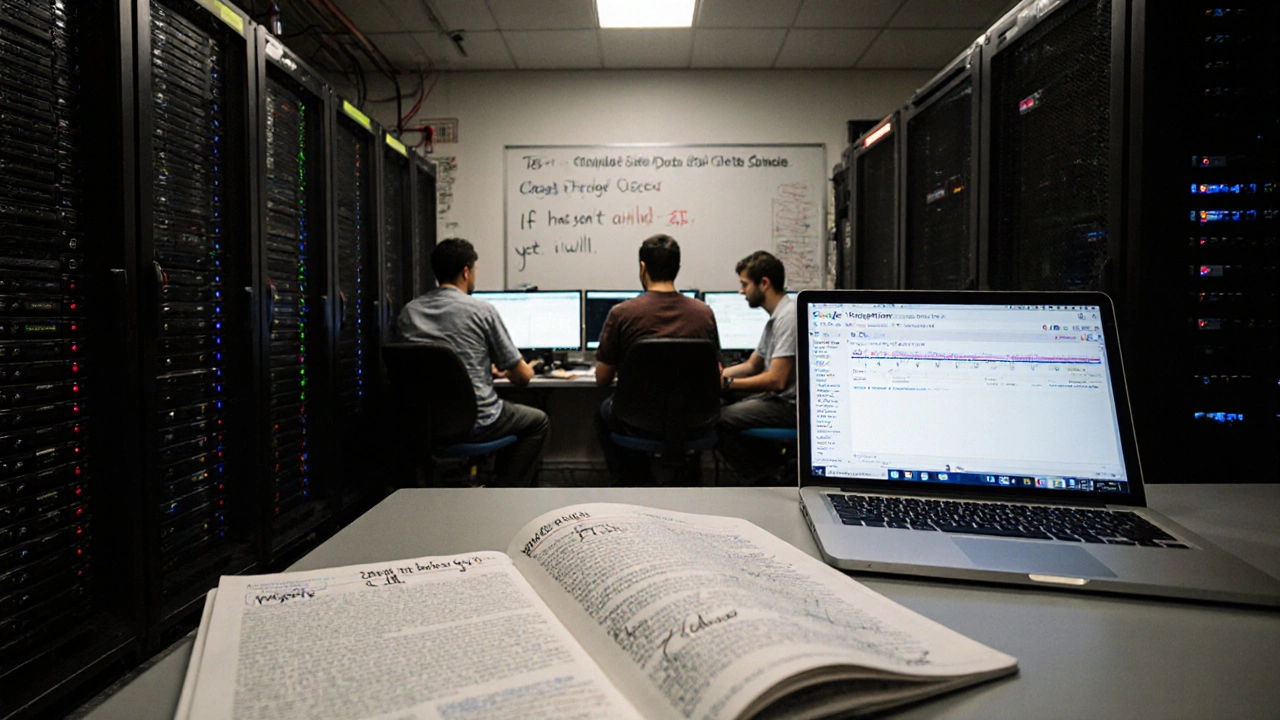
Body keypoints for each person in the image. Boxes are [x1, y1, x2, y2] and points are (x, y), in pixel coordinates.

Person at [398, 238, 549, 487]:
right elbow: (523, 377)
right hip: (478, 421)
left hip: (425, 424)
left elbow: (431, 363)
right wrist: (520, 369)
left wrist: (480, 367)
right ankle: (504, 492)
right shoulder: (481, 311)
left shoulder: (409, 313)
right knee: (538, 422)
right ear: (466, 271)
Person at [594, 234, 720, 484]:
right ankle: (688, 478)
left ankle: (631, 481)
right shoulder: (703, 313)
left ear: (643, 267)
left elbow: (602, 378)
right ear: (678, 269)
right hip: (693, 419)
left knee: (603, 413)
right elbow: (715, 373)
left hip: (637, 420)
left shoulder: (622, 313)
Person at [716, 250, 797, 485]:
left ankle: (765, 480)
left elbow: (777, 380)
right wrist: (712, 377)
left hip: (790, 407)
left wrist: (726, 384)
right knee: (721, 405)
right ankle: (773, 468)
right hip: (778, 400)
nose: (741, 291)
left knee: (718, 420)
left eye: (744, 284)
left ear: (764, 283)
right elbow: (753, 365)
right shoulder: (777, 316)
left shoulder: (788, 318)